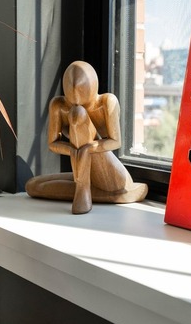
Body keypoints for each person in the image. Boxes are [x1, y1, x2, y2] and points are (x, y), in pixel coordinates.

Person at [25, 61, 148, 214]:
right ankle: (85, 186)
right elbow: (52, 143)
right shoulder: (59, 105)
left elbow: (116, 142)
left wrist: (88, 148)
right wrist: (73, 150)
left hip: (111, 178)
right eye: (71, 93)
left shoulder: (105, 102)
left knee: (78, 114)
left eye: (81, 91)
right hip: (83, 168)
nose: (76, 100)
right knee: (33, 186)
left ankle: (83, 189)